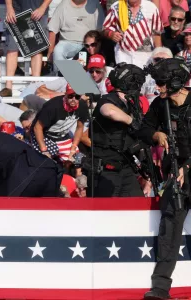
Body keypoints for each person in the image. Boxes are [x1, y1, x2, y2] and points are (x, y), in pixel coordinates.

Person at [137, 58, 191, 300]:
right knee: (169, 225)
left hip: (186, 169)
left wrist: (188, 167)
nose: (157, 87)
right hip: (175, 175)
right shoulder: (161, 105)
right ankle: (160, 287)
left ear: (176, 82)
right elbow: (143, 130)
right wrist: (156, 133)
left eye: (161, 83)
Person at [91, 62, 146, 197]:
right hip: (106, 170)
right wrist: (131, 121)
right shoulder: (109, 99)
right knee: (105, 212)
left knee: (137, 206)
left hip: (126, 167)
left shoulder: (132, 106)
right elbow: (108, 111)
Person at [31, 84, 88, 162]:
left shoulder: (82, 106)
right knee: (46, 162)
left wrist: (73, 147)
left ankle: (75, 173)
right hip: (45, 135)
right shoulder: (52, 106)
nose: (74, 99)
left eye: (77, 97)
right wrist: (44, 150)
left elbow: (80, 127)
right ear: (65, 95)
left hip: (62, 135)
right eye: (71, 96)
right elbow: (37, 128)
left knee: (77, 161)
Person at [103, 0, 163, 68]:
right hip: (123, 56)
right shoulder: (116, 7)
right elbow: (105, 29)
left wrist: (159, 56)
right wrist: (111, 34)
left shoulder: (151, 8)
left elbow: (156, 34)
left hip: (146, 58)